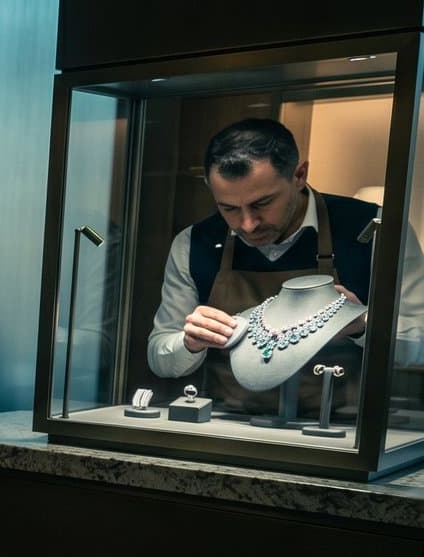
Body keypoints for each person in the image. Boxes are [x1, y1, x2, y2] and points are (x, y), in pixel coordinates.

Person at [147, 118, 424, 412]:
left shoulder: (374, 230)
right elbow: (160, 357)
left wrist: (362, 326)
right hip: (227, 427)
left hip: (344, 435)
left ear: (299, 174)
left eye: (262, 203)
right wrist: (188, 343)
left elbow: (420, 344)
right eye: (228, 208)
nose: (248, 224)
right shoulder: (194, 243)